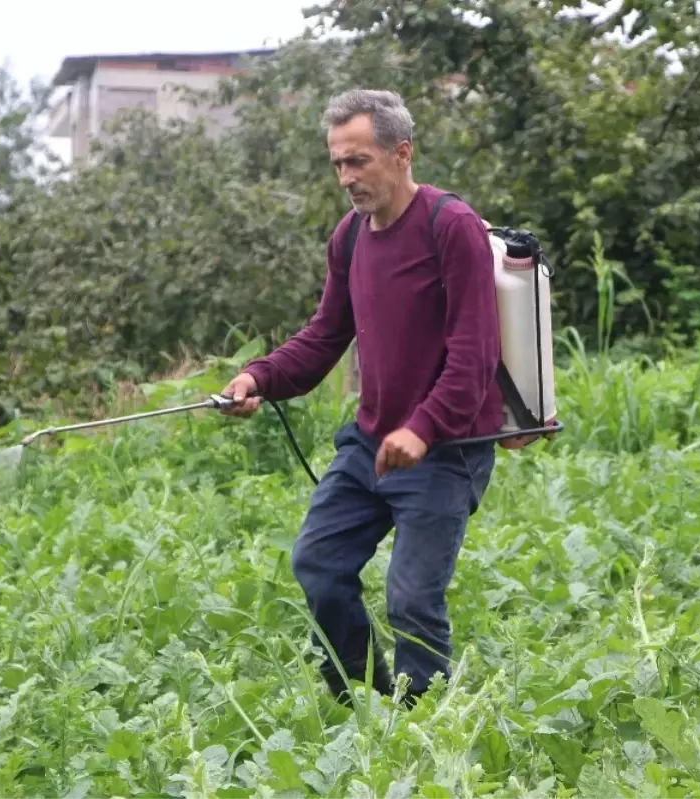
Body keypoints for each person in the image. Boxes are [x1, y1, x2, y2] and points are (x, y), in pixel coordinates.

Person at [219, 88, 504, 708]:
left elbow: (475, 355)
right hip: (372, 441)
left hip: (447, 448)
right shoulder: (349, 237)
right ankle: (364, 706)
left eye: (359, 161)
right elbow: (324, 336)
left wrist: (423, 429)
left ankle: (424, 726)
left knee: (411, 600)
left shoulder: (450, 227)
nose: (346, 177)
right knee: (318, 566)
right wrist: (258, 378)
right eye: (338, 164)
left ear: (402, 154)